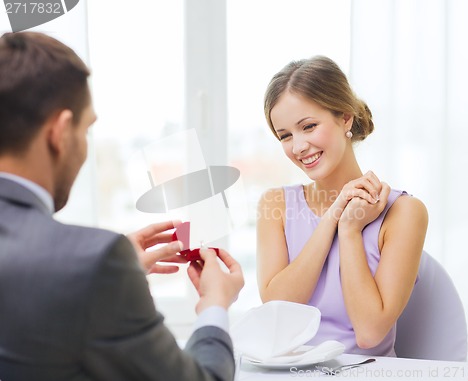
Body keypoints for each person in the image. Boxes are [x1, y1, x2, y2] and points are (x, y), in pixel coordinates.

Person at [0, 31, 244, 381]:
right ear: (60, 131)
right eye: (86, 131)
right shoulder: (93, 262)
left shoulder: (87, 262)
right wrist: (214, 307)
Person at [257, 56, 428, 357]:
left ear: (345, 118)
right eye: (285, 136)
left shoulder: (404, 212)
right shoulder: (276, 205)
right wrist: (333, 216)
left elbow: (370, 333)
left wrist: (349, 231)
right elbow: (277, 316)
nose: (297, 147)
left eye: (308, 126)